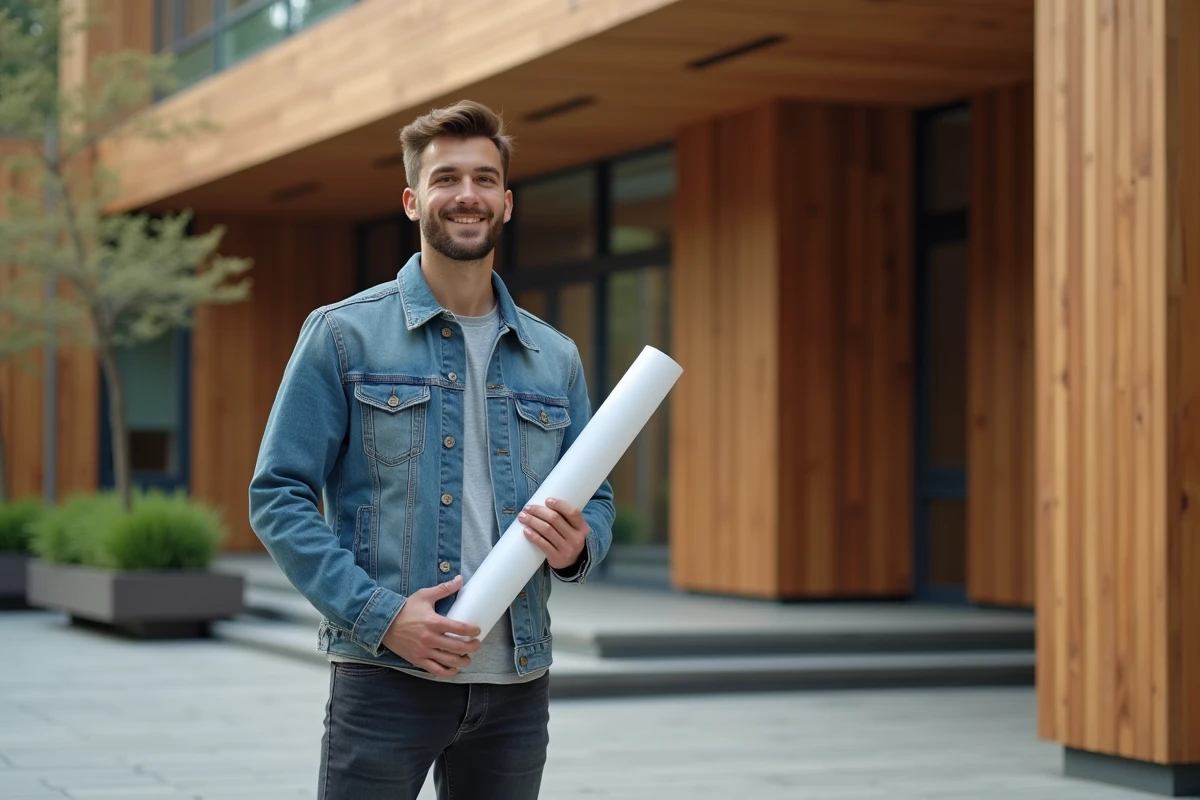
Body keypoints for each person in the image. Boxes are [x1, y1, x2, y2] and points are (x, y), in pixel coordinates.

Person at [248, 99, 615, 800]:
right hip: (388, 678)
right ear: (413, 199)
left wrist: (577, 546)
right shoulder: (342, 335)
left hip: (517, 685)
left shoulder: (554, 355)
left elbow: (592, 493)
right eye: (447, 179)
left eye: (484, 179)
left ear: (506, 204)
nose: (466, 195)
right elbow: (278, 495)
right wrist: (382, 618)